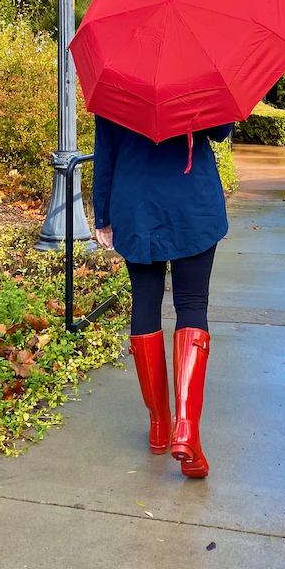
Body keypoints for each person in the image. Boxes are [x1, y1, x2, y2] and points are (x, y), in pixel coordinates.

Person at [92, 116, 233, 479]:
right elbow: (219, 133)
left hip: (135, 202)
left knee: (145, 302)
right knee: (191, 304)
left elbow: (106, 152)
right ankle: (186, 429)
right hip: (192, 201)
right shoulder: (199, 69)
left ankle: (159, 426)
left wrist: (103, 214)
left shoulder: (119, 71)